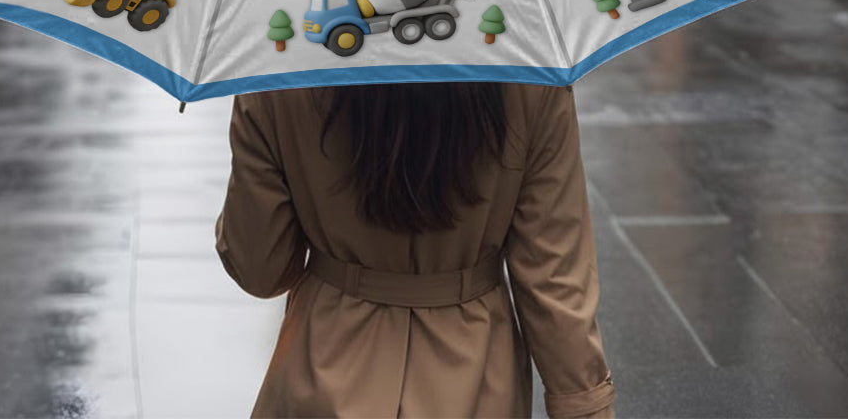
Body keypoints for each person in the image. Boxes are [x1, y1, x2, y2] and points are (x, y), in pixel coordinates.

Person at [217, 82, 616, 418]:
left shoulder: (277, 77)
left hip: (323, 359)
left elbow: (260, 269)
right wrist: (586, 404)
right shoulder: (531, 79)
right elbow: (553, 276)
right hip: (477, 373)